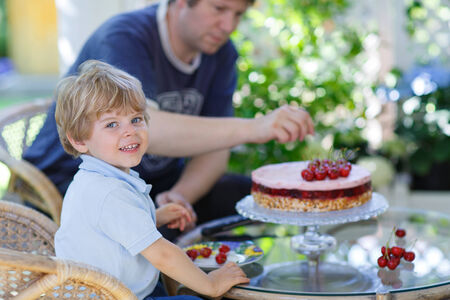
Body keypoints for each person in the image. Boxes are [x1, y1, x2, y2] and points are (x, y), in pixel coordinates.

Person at [24, 0, 314, 232]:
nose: (228, 25)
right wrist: (256, 127)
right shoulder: (126, 37)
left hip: (148, 184)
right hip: (74, 183)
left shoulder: (221, 53)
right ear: (181, 3)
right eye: (219, 9)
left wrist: (181, 195)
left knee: (253, 197)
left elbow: (215, 149)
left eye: (238, 14)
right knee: (156, 239)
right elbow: (149, 130)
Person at [54, 60, 249, 299]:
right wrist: (210, 283)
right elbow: (163, 255)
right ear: (79, 140)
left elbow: (114, 229)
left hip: (123, 288)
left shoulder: (100, 178)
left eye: (136, 119)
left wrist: (155, 217)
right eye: (112, 124)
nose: (130, 131)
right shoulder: (108, 192)